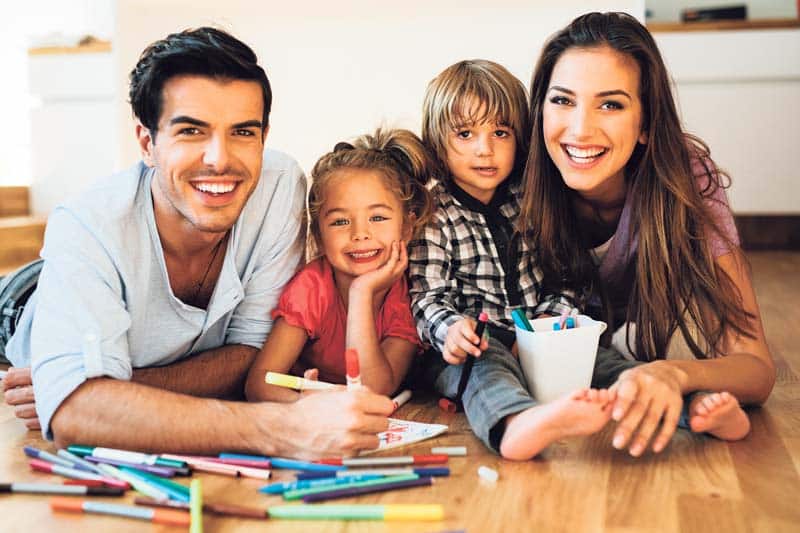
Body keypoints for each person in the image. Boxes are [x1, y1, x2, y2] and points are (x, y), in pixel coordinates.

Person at [2, 27, 394, 458]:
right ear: (147, 143)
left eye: (243, 132)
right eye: (191, 131)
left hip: (133, 347)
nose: (219, 159)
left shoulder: (280, 186)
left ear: (264, 137)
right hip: (26, 301)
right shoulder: (87, 223)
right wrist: (283, 427)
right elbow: (76, 415)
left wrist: (108, 391)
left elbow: (251, 352)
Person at [519, 12, 774, 456]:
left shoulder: (684, 180)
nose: (580, 129)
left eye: (611, 104)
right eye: (563, 100)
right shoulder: (511, 171)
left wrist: (673, 373)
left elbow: (755, 365)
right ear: (541, 107)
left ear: (646, 125)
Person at [409, 59, 625, 461]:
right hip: (476, 345)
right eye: (465, 133)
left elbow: (566, 273)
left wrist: (552, 320)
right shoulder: (433, 213)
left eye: (500, 132)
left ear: (520, 139)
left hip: (542, 335)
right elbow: (426, 296)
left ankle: (678, 403)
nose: (484, 149)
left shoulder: (531, 199)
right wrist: (452, 330)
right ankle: (516, 424)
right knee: (486, 370)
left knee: (602, 359)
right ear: (439, 142)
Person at [245, 129, 431, 400]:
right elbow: (259, 384)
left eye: (377, 217)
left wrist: (361, 293)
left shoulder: (409, 294)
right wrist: (306, 406)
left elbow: (374, 390)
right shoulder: (312, 287)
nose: (360, 234)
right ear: (319, 236)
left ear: (406, 227)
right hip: (312, 409)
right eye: (340, 222)